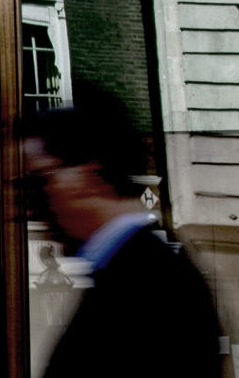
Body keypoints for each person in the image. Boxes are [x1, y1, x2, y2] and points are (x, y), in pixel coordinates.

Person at [23, 100, 222, 378]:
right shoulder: (136, 271)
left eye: (39, 182)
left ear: (86, 174)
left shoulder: (151, 284)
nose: (31, 208)